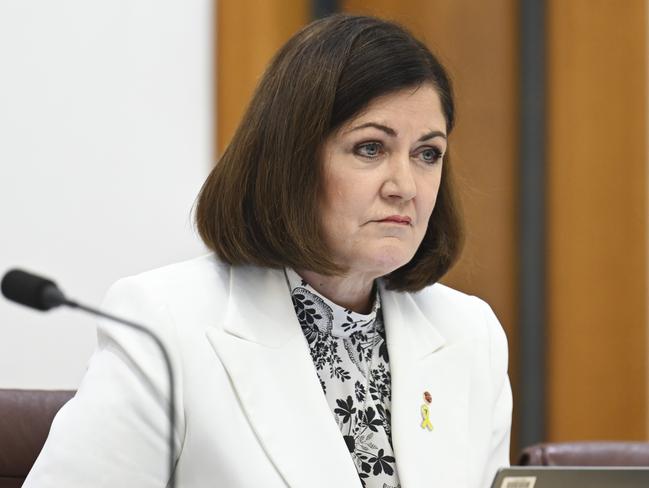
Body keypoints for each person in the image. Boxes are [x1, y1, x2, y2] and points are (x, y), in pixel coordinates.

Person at [24, 14, 511, 488]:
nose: (405, 186)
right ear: (291, 160)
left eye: (428, 154)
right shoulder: (165, 324)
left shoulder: (470, 334)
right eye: (370, 148)